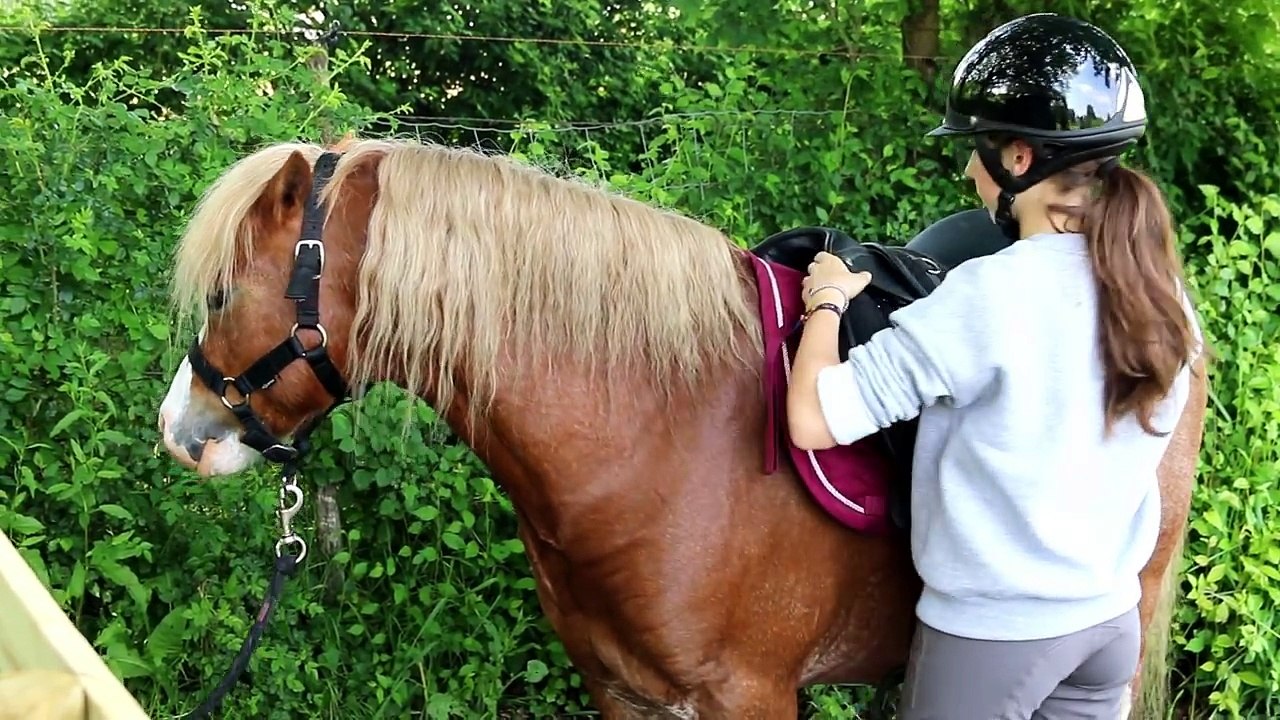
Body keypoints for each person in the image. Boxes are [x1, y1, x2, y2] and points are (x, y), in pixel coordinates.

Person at [785, 13, 1203, 720]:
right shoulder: (1161, 295)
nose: (966, 171)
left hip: (997, 636)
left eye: (974, 150)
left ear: (1016, 159)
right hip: (1108, 625)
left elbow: (814, 420)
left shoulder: (989, 294)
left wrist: (826, 301)